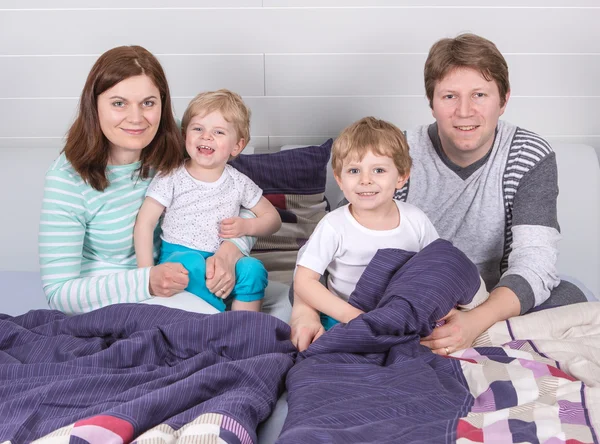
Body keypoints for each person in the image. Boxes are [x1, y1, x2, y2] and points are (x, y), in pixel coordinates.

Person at [290, 33, 586, 353]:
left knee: (569, 297)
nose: (464, 111)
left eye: (479, 95)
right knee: (319, 297)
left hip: (487, 295)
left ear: (503, 99)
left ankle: (465, 335)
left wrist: (474, 322)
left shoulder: (529, 154)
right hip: (407, 297)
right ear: (431, 102)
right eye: (449, 97)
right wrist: (304, 312)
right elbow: (332, 247)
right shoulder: (394, 154)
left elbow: (535, 263)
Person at [38, 46, 256, 315]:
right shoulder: (67, 179)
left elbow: (239, 198)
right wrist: (147, 282)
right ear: (94, 106)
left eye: (148, 103)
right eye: (119, 103)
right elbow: (59, 292)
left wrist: (231, 249)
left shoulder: (182, 140)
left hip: (188, 282)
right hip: (111, 303)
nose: (136, 118)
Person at [293, 116, 488, 334]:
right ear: (339, 179)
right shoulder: (333, 225)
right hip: (345, 316)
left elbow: (437, 266)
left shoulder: (415, 219)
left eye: (378, 170)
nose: (365, 180)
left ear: (401, 177)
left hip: (401, 313)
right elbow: (304, 282)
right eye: (354, 171)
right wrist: (352, 316)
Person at [134, 90, 281, 312]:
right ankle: (213, 318)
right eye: (198, 128)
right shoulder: (171, 176)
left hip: (222, 259)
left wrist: (247, 226)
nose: (206, 136)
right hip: (179, 255)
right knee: (191, 263)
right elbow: (145, 223)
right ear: (185, 136)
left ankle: (244, 326)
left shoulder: (239, 182)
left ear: (237, 146)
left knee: (253, 269)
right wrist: (146, 275)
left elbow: (273, 219)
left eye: (219, 132)